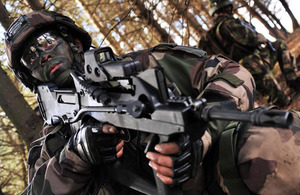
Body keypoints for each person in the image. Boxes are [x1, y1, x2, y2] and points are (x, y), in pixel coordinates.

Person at [4, 10, 300, 195]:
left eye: (47, 43)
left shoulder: (143, 64)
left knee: (272, 140)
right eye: (30, 58)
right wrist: (77, 154)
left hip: (211, 181)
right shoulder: (51, 145)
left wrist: (202, 134)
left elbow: (232, 74)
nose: (42, 56)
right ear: (32, 79)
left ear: (74, 42)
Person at [198, 0, 300, 108]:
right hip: (253, 66)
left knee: (282, 102)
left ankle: (279, 99)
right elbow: (253, 39)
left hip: (236, 77)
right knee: (279, 45)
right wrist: (261, 37)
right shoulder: (228, 24)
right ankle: (293, 81)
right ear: (227, 7)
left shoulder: (212, 36)